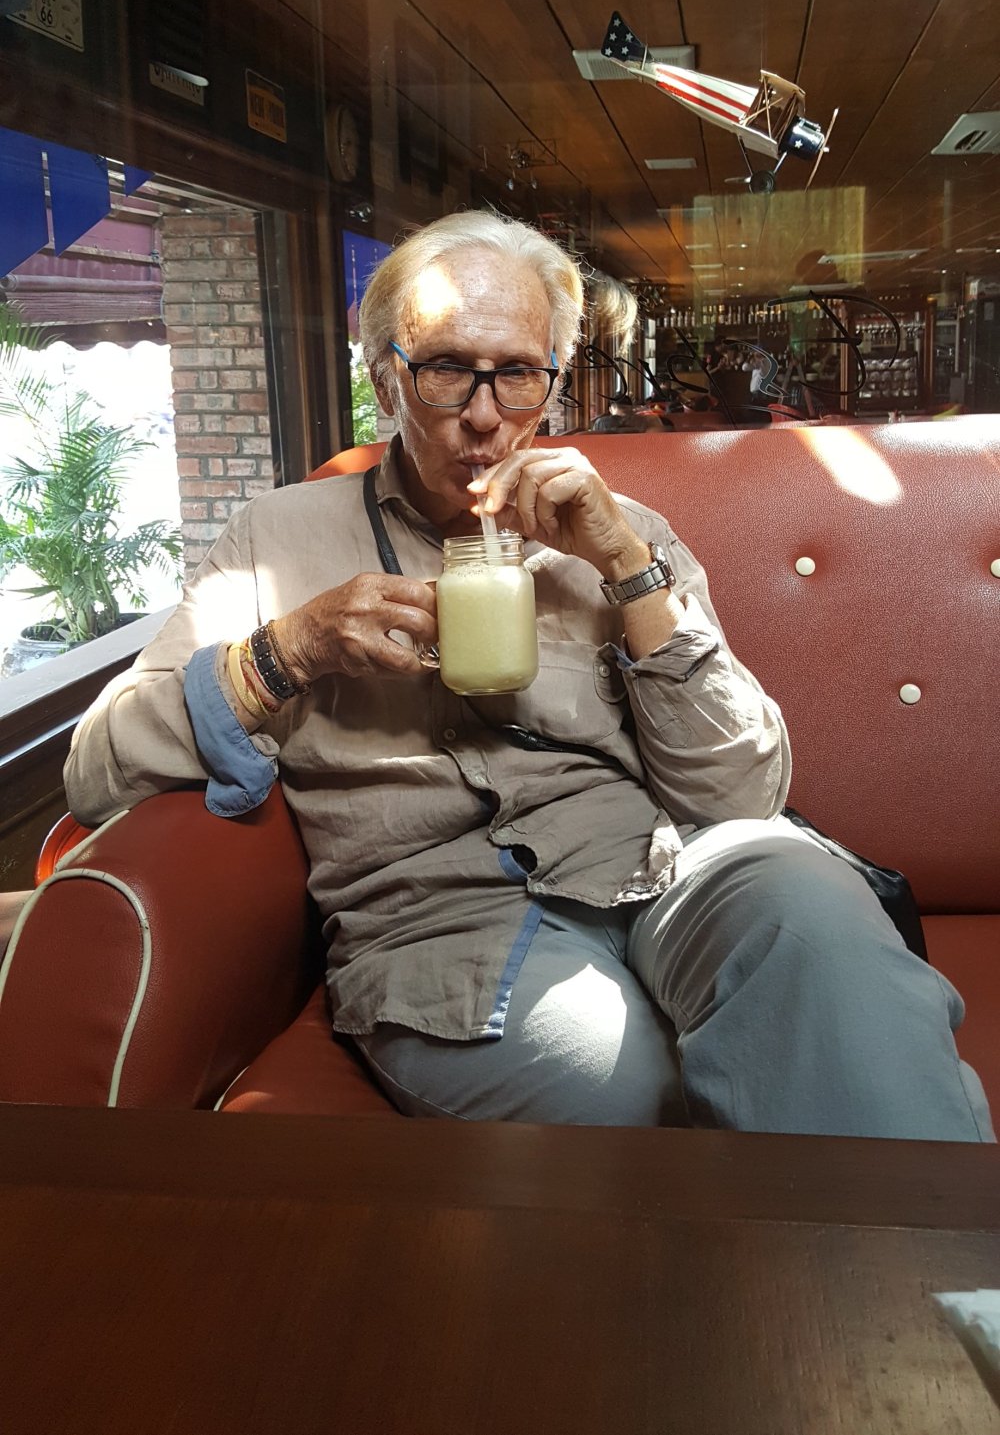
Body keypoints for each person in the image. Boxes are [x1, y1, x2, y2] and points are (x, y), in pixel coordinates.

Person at [65, 211, 992, 1140]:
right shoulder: (276, 539)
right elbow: (97, 767)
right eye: (446, 369)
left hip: (663, 862)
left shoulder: (620, 531)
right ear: (384, 376)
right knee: (626, 1088)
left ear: (552, 380)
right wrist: (290, 649)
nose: (484, 415)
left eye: (516, 373)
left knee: (819, 929)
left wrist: (626, 568)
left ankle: (938, 1240)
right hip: (443, 927)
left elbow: (741, 791)